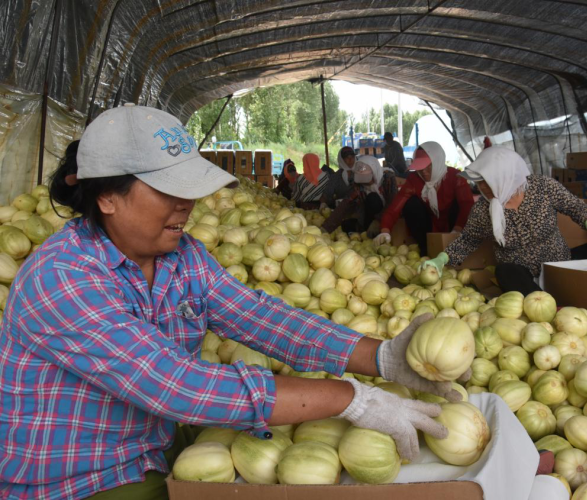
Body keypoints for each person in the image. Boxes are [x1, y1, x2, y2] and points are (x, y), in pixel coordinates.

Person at [0, 105, 463, 500]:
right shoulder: (61, 277)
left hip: (157, 449)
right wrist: (352, 399)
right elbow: (177, 386)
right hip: (79, 480)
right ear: (106, 196)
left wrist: (378, 356)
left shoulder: (183, 258)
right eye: (167, 189)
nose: (187, 203)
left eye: (189, 187)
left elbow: (261, 318)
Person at [418, 147, 587, 295]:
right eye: (478, 182)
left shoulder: (542, 187)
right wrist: (442, 259)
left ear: (505, 175)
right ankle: (540, 303)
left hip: (558, 263)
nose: (482, 187)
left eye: (486, 181)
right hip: (520, 275)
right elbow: (469, 239)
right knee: (505, 271)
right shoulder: (483, 209)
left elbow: (573, 205)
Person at [373, 142, 475, 255]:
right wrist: (385, 231)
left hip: (455, 226)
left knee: (458, 203)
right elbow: (394, 208)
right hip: (429, 227)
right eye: (420, 167)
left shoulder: (455, 177)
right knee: (411, 204)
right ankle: (425, 248)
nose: (424, 172)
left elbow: (467, 205)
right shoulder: (414, 179)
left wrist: (458, 229)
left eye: (429, 166)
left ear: (438, 162)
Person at [322, 156, 398, 235]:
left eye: (366, 178)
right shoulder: (359, 185)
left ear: (374, 172)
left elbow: (393, 203)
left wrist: (378, 220)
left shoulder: (388, 178)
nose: (364, 182)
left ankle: (374, 230)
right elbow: (345, 204)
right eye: (361, 178)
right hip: (368, 216)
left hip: (388, 216)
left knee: (373, 198)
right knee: (345, 225)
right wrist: (325, 228)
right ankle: (367, 229)